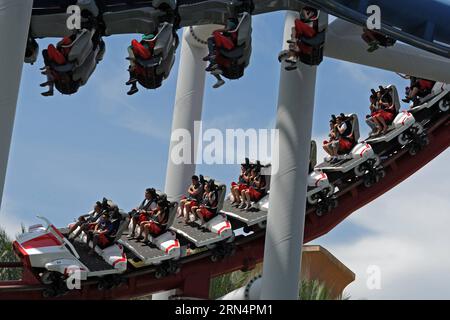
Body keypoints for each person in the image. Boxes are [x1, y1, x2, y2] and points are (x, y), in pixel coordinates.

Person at [203, 18, 239, 89]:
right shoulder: (230, 24)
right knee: (212, 61)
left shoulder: (232, 23)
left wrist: (217, 30)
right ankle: (219, 79)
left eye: (227, 21)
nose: (226, 22)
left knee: (211, 38)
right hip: (225, 45)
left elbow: (227, 29)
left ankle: (213, 57)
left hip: (228, 43)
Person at [284, 6, 319, 71]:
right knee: (293, 29)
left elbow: (307, 18)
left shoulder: (314, 13)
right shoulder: (304, 49)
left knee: (296, 21)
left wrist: (304, 11)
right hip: (308, 35)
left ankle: (294, 40)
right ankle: (293, 59)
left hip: (311, 33)